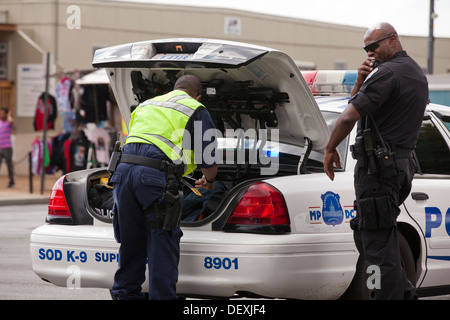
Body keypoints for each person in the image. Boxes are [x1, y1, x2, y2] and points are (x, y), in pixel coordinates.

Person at [323, 22, 428, 299]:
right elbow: (357, 105)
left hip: (379, 171)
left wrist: (330, 148)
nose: (370, 54)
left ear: (393, 40)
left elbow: (347, 117)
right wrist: (360, 81)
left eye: (375, 46)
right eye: (366, 49)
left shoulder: (387, 73)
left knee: (376, 248)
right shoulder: (414, 71)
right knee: (375, 242)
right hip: (398, 166)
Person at [110, 75, 218, 299]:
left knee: (131, 241)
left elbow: (144, 141)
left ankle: (124, 294)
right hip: (152, 178)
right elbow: (208, 160)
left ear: (174, 88)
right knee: (162, 240)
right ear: (197, 94)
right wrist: (209, 181)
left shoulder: (146, 104)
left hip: (122, 173)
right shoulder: (195, 108)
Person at [0, 107, 14, 188]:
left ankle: (11, 181)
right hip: (0, 147)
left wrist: (9, 114)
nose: (1, 114)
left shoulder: (9, 122)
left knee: (9, 165)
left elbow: (11, 121)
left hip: (7, 147)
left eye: (2, 113)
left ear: (6, 114)